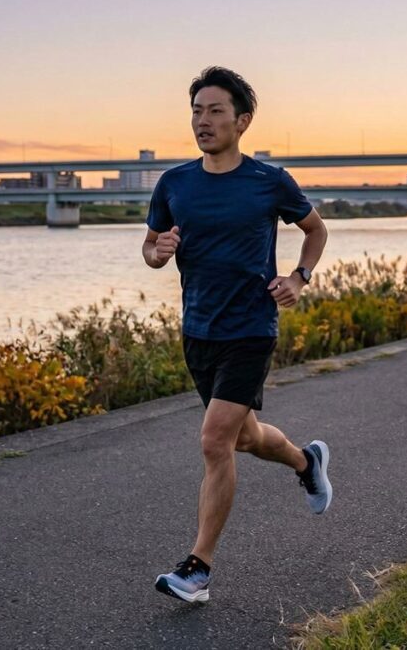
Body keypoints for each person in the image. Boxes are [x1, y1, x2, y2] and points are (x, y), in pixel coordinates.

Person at [142, 67, 332, 604]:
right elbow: (151, 247)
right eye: (196, 111)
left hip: (251, 328)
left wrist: (299, 277)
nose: (202, 121)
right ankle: (306, 462)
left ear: (242, 120)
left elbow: (315, 229)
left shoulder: (269, 181)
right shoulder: (174, 183)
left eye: (215, 111)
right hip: (198, 330)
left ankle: (197, 569)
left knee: (214, 441)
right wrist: (157, 253)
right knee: (244, 438)